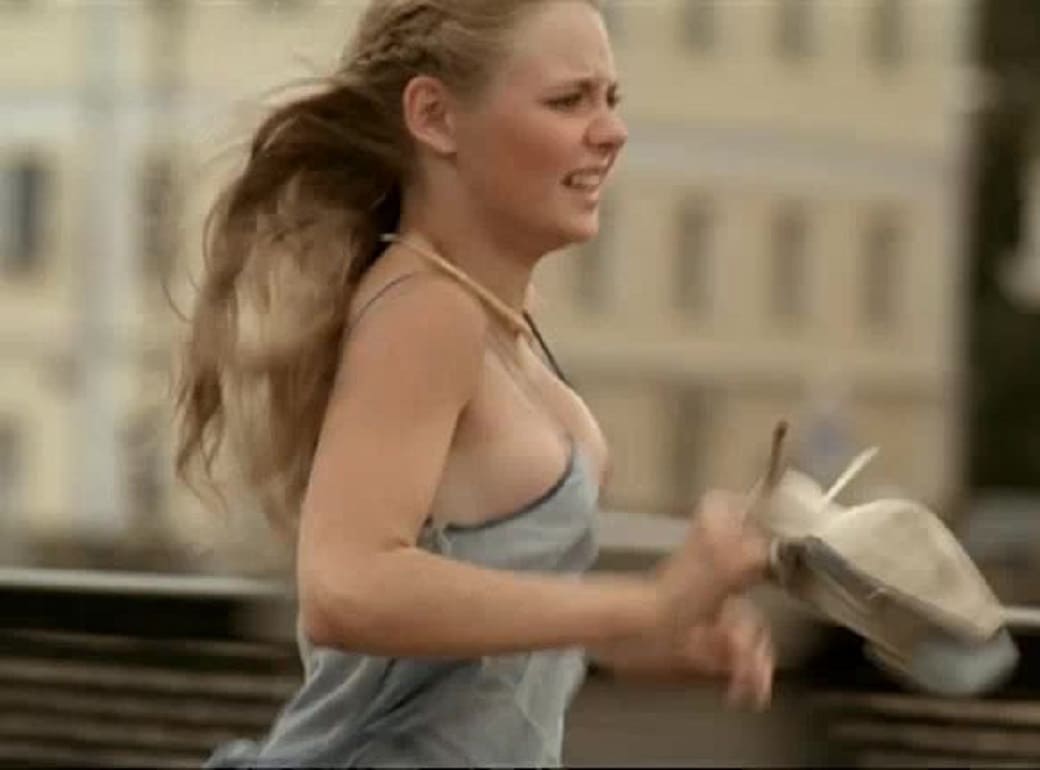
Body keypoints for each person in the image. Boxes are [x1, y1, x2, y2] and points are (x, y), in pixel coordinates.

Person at [175, 1, 775, 766]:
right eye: (569, 100)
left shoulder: (497, 324)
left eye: (611, 99)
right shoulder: (426, 311)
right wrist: (647, 605)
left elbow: (464, 634)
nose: (612, 131)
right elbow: (347, 587)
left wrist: (633, 646)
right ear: (435, 117)